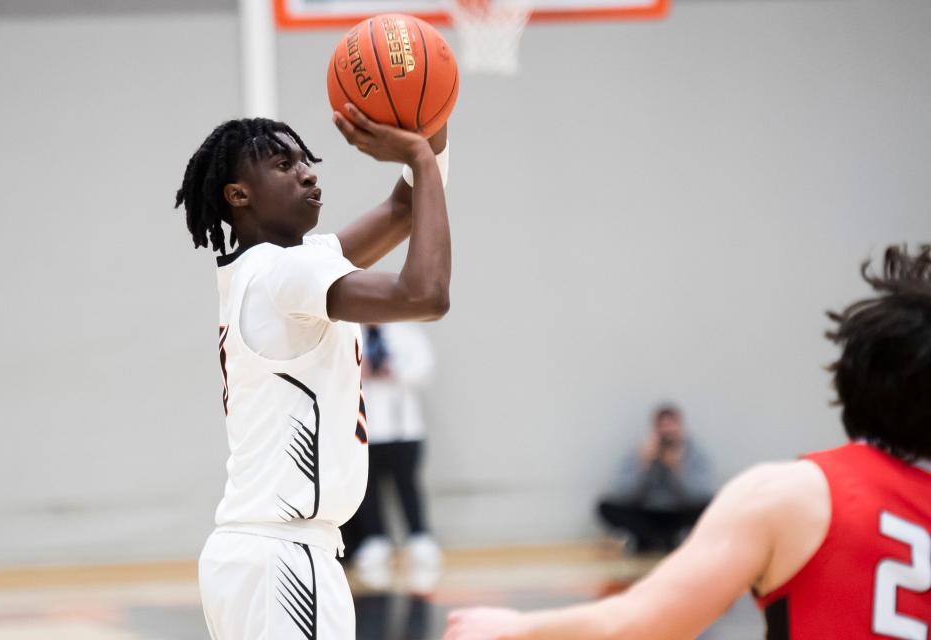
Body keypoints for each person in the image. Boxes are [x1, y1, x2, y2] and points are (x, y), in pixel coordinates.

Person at [445, 245, 931, 640]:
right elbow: (621, 490)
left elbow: (637, 626)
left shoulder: (790, 494)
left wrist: (514, 630)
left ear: (848, 378)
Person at [174, 105, 450, 640]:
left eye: (306, 159)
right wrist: (418, 153)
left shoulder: (266, 269)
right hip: (285, 559)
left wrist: (432, 122)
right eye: (283, 164)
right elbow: (426, 295)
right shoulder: (287, 273)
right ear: (237, 195)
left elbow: (403, 208)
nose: (308, 171)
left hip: (253, 553)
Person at [351, 322, 442, 570]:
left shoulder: (406, 333)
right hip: (363, 428)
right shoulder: (349, 333)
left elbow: (424, 369)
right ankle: (375, 540)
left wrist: (394, 371)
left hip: (404, 427)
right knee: (366, 489)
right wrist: (360, 371)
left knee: (407, 484)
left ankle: (419, 538)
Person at [597, 404, 713, 552]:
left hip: (678, 513)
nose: (667, 435)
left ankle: (668, 538)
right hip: (647, 513)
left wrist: (678, 469)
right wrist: (644, 465)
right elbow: (624, 494)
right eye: (662, 429)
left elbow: (700, 495)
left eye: (671, 429)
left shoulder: (693, 453)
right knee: (605, 506)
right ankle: (650, 538)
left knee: (710, 505)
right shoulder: (642, 452)